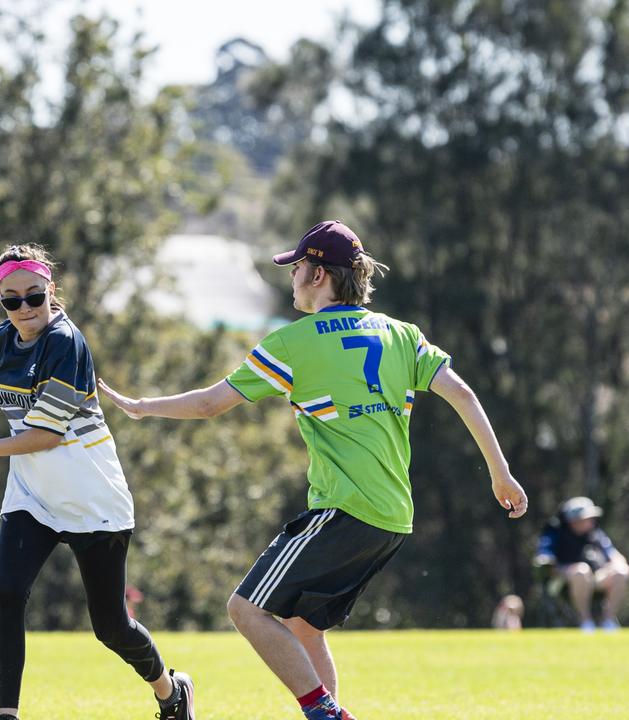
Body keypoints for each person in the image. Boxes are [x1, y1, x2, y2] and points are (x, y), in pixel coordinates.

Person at [97, 221, 528, 720]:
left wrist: (144, 406)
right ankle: (327, 710)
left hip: (345, 508)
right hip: (392, 516)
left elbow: (211, 405)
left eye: (298, 266)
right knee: (303, 626)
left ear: (319, 274)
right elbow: (464, 394)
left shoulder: (294, 343)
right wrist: (501, 474)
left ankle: (325, 712)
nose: (293, 276)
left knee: (245, 609)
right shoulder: (402, 334)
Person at [0, 244, 194, 720]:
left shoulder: (65, 343)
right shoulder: (5, 336)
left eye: (34, 296)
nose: (25, 309)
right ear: (0, 299)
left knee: (111, 627)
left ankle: (170, 691)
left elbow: (46, 437)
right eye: (11, 300)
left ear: (51, 290)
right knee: (8, 596)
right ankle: (7, 714)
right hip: (32, 498)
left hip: (94, 499)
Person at [534, 496, 629, 632]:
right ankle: (585, 622)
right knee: (581, 571)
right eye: (587, 518)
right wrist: (552, 565)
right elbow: (544, 556)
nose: (591, 521)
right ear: (574, 521)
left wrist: (616, 564)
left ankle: (608, 621)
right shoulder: (555, 533)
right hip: (563, 580)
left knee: (621, 571)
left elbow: (614, 555)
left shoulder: (596, 533)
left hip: (596, 576)